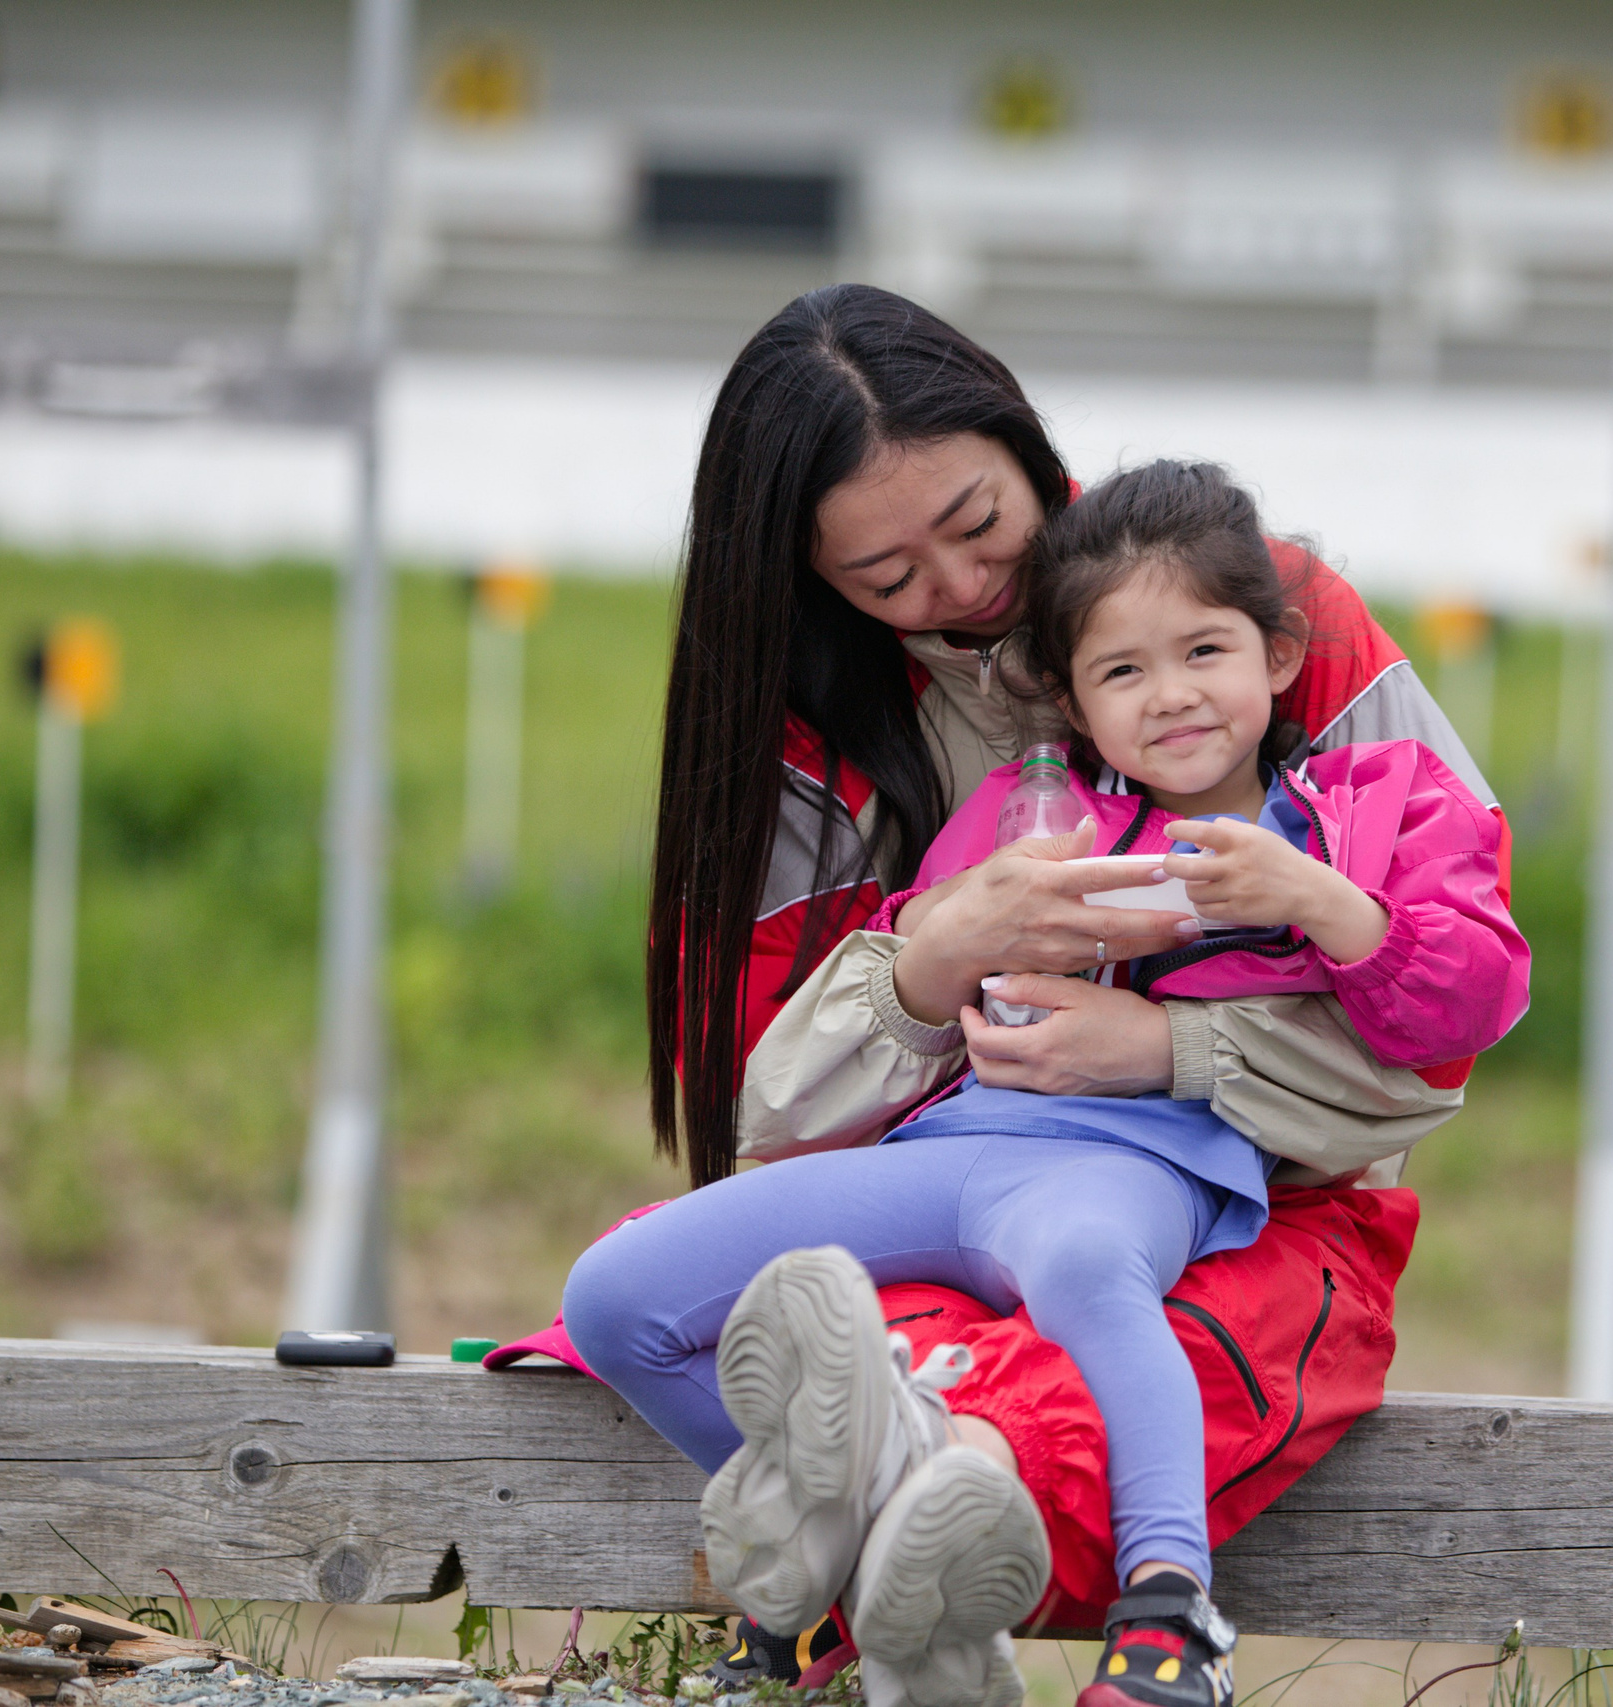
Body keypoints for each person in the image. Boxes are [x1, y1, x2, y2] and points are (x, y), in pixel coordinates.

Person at [483, 287, 1503, 1687]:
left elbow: (1447, 1013)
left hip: (1260, 1191)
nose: (961, 589)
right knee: (703, 1309)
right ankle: (884, 1586)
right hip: (953, 1172)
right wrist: (927, 968)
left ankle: (1113, 1611)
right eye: (886, 578)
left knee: (1055, 1374)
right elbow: (760, 1105)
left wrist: (1170, 1045)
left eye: (978, 523)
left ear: (1026, 445)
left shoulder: (1254, 609)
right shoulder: (810, 731)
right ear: (809, 580)